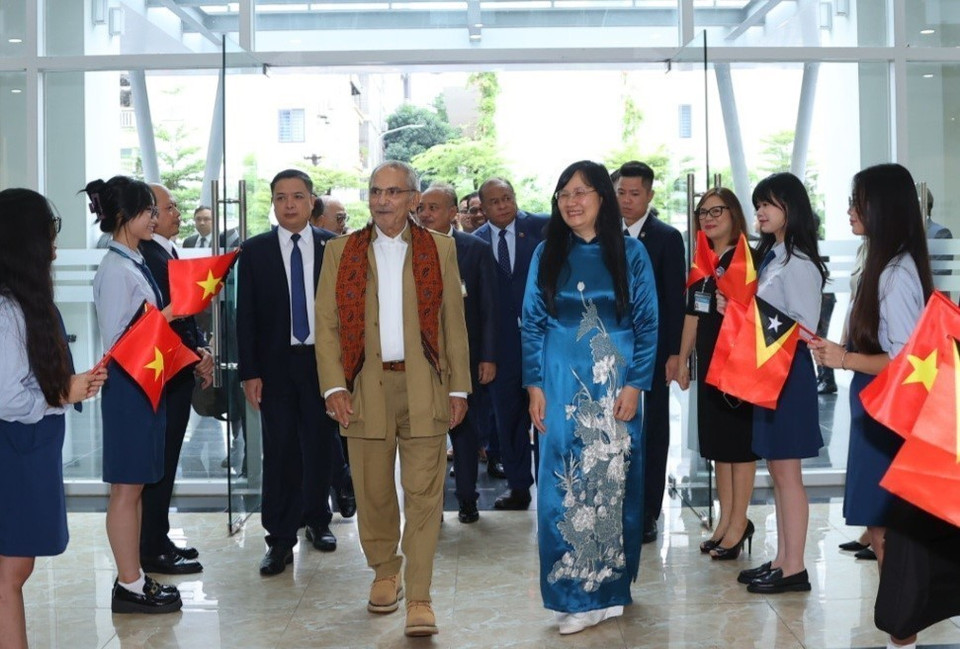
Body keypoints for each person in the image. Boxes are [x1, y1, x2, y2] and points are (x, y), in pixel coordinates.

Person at [315, 161, 471, 637]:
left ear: (413, 199)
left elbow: (452, 323)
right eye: (375, 192)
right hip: (364, 388)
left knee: (424, 495)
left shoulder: (439, 249)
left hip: (426, 384)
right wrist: (334, 385)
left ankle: (419, 596)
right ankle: (386, 571)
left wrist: (459, 386)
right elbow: (326, 324)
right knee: (373, 489)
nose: (382, 200)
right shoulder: (341, 252)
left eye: (393, 192)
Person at [522, 160, 658, 635]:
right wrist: (534, 384)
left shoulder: (632, 253)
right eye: (563, 194)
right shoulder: (546, 252)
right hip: (560, 377)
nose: (571, 201)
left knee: (612, 480)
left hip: (613, 377)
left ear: (602, 197)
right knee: (565, 482)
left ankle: (604, 591)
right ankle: (574, 590)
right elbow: (532, 320)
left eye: (581, 192)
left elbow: (647, 324)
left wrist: (635, 384)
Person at [809, 163, 933, 649]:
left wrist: (844, 358)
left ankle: (904, 636)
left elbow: (906, 359)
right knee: (880, 527)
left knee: (889, 531)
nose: (848, 211)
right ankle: (901, 632)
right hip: (873, 405)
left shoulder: (897, 273)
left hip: (889, 411)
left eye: (856, 201)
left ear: (880, 207)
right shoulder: (879, 262)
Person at [0, 188, 107, 649]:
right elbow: (7, 397)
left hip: (24, 448)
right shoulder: (8, 308)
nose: (55, 244)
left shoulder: (20, 301)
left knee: (12, 570)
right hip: (13, 449)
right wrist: (61, 393)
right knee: (10, 571)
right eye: (50, 232)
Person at [86, 175, 183, 614]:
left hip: (146, 382)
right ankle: (128, 583)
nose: (155, 217)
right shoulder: (115, 269)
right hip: (129, 384)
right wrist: (170, 313)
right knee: (126, 490)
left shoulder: (133, 261)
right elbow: (120, 340)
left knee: (137, 487)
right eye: (148, 210)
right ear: (126, 216)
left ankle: (136, 576)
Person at [236, 169, 340, 576]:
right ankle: (279, 539)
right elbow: (246, 317)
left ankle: (317, 519)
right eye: (281, 197)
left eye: (298, 196)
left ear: (313, 201)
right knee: (279, 450)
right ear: (273, 204)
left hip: (323, 362)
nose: (290, 204)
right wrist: (249, 371)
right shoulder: (256, 250)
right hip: (275, 365)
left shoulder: (333, 246)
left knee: (319, 444)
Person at [732, 172, 828, 595]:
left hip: (789, 374)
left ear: (793, 208)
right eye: (758, 205)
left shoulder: (801, 263)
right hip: (769, 373)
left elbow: (806, 326)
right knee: (776, 468)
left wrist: (755, 320)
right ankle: (782, 558)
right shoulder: (774, 255)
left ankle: (795, 567)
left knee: (788, 474)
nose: (760, 212)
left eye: (769, 204)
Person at [676, 188, 758, 559]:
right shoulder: (703, 262)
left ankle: (739, 522)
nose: (708, 218)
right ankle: (726, 520)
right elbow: (692, 314)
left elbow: (757, 316)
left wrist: (734, 308)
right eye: (702, 213)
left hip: (737, 368)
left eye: (716, 211)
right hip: (709, 364)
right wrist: (682, 359)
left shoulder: (747, 259)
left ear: (734, 214)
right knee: (719, 449)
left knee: (739, 449)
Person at [138, 184, 214, 575]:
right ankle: (150, 547)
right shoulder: (145, 256)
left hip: (181, 367)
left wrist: (200, 349)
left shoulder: (166, 250)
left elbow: (185, 314)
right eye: (168, 208)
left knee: (167, 461)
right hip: (163, 373)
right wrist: (192, 352)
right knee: (160, 462)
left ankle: (159, 536)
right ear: (148, 213)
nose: (177, 214)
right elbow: (158, 320)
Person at [613, 161, 685, 543]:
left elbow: (675, 300)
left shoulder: (667, 238)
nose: (626, 200)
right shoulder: (603, 235)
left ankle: (647, 514)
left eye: (634, 193)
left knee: (653, 433)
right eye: (621, 192)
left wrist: (675, 354)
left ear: (650, 196)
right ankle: (616, 508)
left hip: (654, 353)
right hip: (612, 352)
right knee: (616, 431)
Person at [418, 183, 498, 524]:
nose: (426, 214)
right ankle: (430, 505)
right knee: (425, 435)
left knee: (464, 431)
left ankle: (467, 498)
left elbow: (489, 308)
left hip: (464, 357)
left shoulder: (475, 249)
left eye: (434, 208)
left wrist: (488, 356)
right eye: (422, 207)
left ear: (453, 213)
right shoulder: (409, 247)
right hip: (422, 359)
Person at [474, 178, 549, 509]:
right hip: (500, 347)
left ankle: (551, 484)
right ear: (483, 207)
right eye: (494, 201)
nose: (503, 205)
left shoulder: (542, 228)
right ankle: (519, 486)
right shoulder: (474, 243)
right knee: (509, 419)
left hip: (543, 341)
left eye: (508, 197)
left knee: (546, 418)